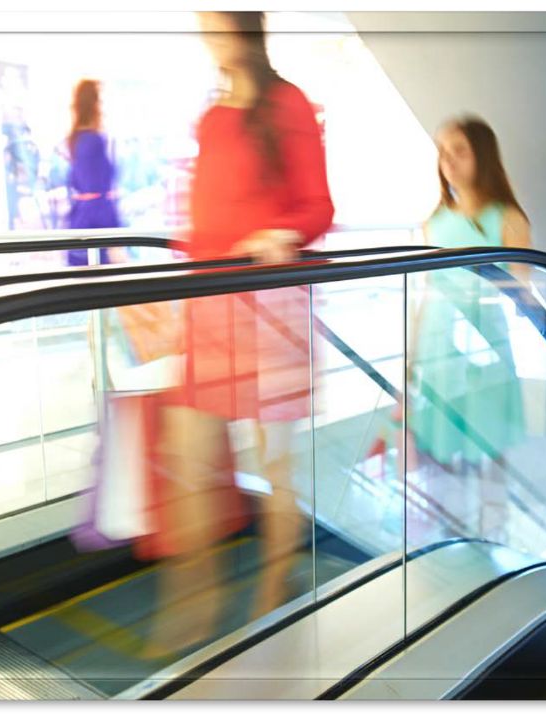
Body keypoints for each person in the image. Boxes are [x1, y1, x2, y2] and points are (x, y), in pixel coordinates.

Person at [142, 10, 334, 657]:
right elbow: (199, 223)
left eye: (217, 26)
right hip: (208, 307)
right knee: (186, 456)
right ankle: (192, 600)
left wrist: (282, 234)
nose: (208, 41)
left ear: (247, 30)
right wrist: (173, 305)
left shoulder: (289, 103)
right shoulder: (212, 113)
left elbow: (317, 205)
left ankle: (270, 595)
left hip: (272, 306)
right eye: (203, 28)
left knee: (274, 463)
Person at [407, 115, 531, 545]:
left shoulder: (507, 218)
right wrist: (411, 359)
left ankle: (493, 542)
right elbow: (426, 294)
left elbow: (523, 292)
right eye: (442, 151)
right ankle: (452, 548)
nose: (449, 161)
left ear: (483, 155)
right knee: (444, 454)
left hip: (486, 353)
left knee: (490, 454)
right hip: (440, 353)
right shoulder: (434, 223)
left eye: (459, 150)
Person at [65, 79, 121, 266]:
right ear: (94, 104)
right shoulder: (93, 140)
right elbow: (98, 184)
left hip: (83, 216)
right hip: (97, 215)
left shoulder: (76, 139)